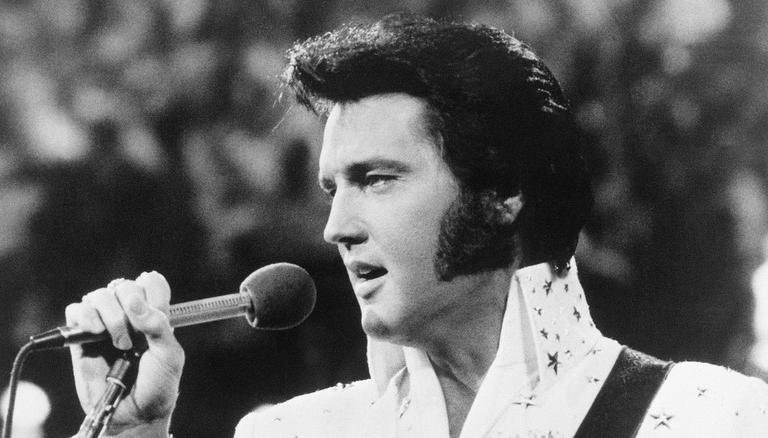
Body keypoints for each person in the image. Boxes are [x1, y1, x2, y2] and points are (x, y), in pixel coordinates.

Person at [65, 13, 768, 438]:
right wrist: (128, 431)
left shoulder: (714, 418)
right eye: (331, 188)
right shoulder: (291, 433)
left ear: (504, 192)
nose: (335, 227)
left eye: (376, 179)